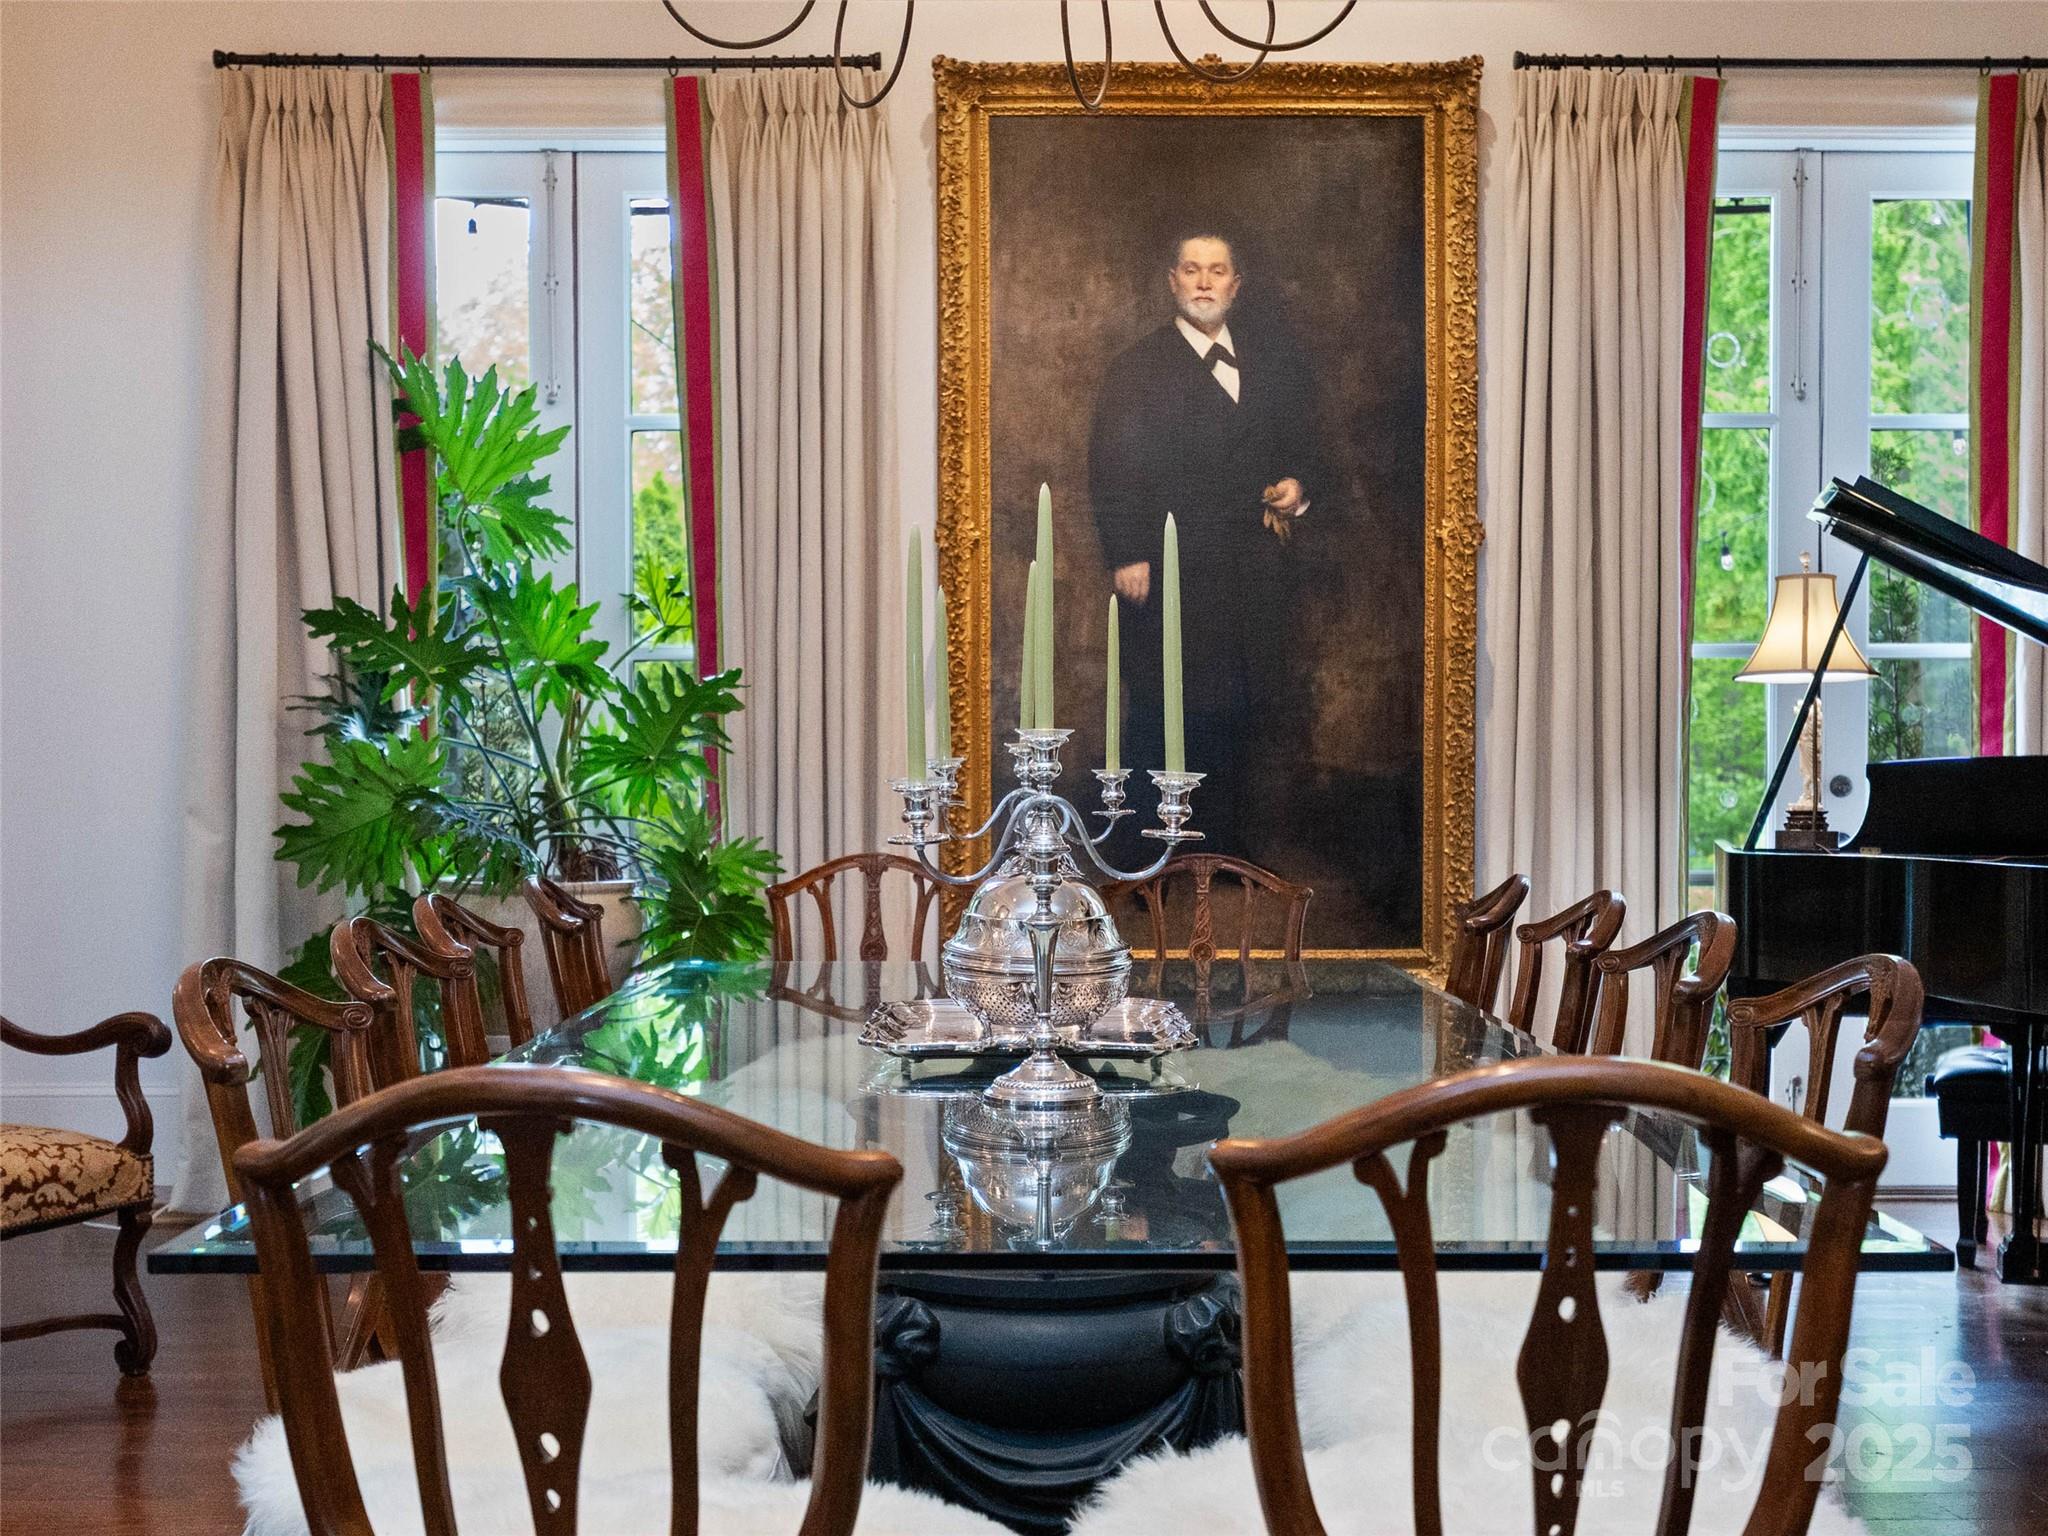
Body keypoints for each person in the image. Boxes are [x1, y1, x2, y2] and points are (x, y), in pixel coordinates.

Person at [1088, 232, 1325, 856]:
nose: (1203, 282)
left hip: (1249, 571)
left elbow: (1304, 448)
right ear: (1172, 281)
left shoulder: (1268, 364)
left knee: (1237, 708)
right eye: (1191, 270)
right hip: (1170, 568)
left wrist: (1297, 487)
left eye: (1216, 271)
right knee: (1165, 706)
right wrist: (1125, 551)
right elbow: (1111, 465)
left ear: (1234, 285)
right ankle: (1151, 859)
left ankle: (1223, 854)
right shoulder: (1136, 368)